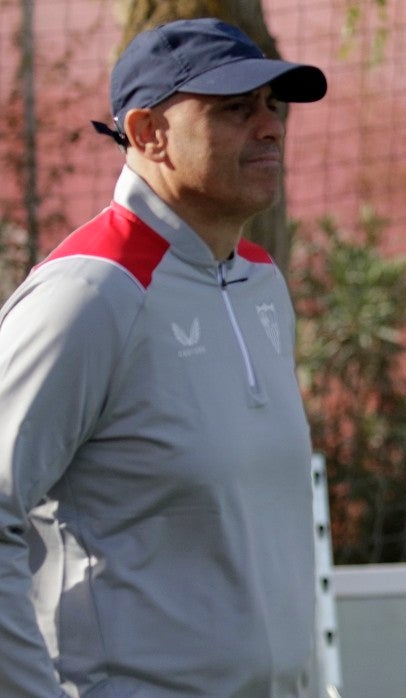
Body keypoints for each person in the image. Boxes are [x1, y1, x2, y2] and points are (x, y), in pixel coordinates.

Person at [0, 18, 327, 697]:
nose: (269, 127)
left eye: (272, 106)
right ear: (148, 133)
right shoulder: (88, 295)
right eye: (235, 109)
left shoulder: (262, 281)